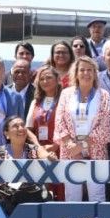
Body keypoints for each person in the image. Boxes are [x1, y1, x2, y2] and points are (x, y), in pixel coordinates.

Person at [55, 56, 110, 207]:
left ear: (95, 73)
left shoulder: (104, 95)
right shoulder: (66, 94)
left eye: (89, 70)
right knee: (72, 195)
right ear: (76, 73)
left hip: (96, 150)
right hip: (70, 151)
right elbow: (60, 121)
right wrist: (71, 146)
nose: (86, 73)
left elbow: (105, 126)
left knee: (97, 195)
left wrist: (81, 146)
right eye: (82, 70)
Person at [0, 116, 51, 218]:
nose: (21, 128)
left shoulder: (35, 150)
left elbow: (47, 157)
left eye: (23, 125)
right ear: (7, 134)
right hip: (5, 198)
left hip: (32, 196)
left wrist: (50, 157)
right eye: (15, 126)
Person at [26, 66, 65, 201]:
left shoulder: (65, 100)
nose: (45, 81)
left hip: (61, 150)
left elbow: (71, 127)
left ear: (57, 79)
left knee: (61, 188)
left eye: (49, 77)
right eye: (41, 79)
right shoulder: (35, 102)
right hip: (40, 151)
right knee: (43, 190)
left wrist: (56, 145)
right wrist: (39, 148)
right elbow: (28, 129)